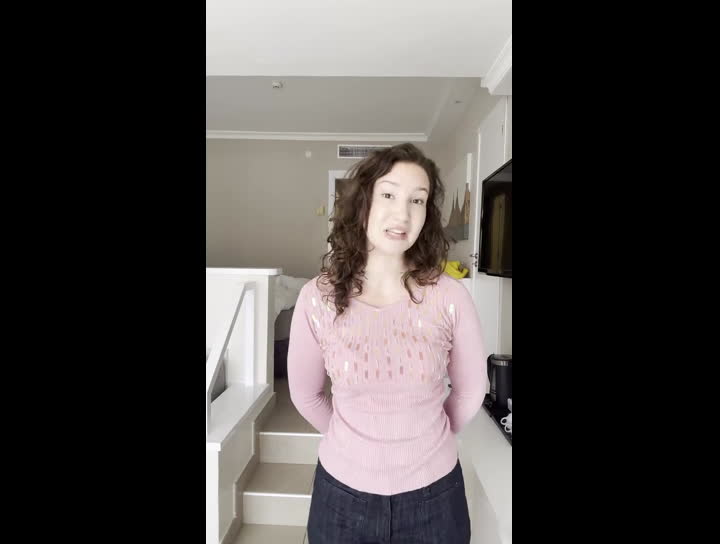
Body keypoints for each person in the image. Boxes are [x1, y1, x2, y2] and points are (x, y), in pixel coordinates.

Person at [287, 142, 487, 543]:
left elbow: (471, 391)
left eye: (418, 200)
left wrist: (426, 440)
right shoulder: (316, 298)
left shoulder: (450, 296)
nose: (403, 214)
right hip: (341, 500)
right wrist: (355, 445)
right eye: (390, 195)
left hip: (436, 498)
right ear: (364, 202)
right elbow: (306, 395)